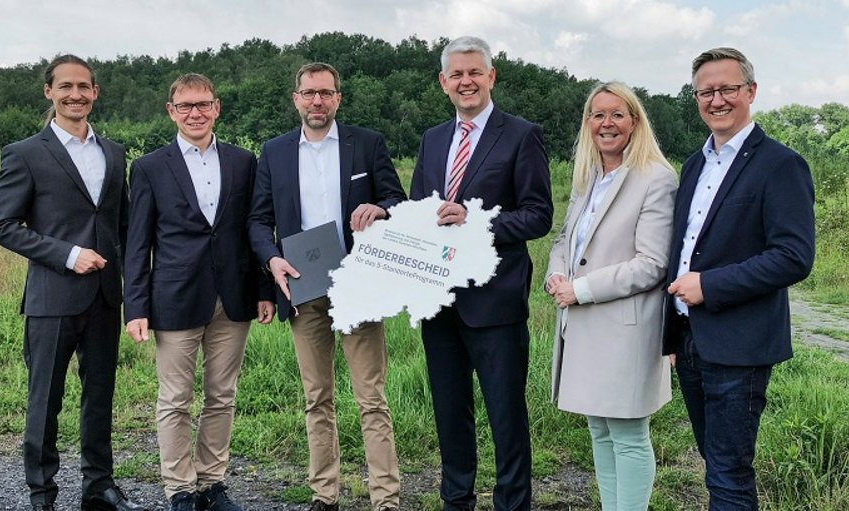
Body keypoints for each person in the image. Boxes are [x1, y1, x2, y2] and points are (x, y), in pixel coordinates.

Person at [0, 54, 147, 511]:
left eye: (84, 86)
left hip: (104, 298)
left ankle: (99, 486)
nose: (75, 94)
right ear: (49, 92)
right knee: (46, 400)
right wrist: (68, 255)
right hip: (52, 297)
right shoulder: (25, 153)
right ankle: (43, 493)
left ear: (95, 92)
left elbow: (124, 225)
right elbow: (2, 225)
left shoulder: (114, 152)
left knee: (100, 398)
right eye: (65, 86)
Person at [247, 62, 406, 511]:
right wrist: (271, 258)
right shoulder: (274, 151)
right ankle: (324, 494)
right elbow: (258, 219)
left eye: (326, 93)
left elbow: (397, 200)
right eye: (309, 93)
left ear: (338, 98)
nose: (318, 101)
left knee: (371, 398)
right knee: (316, 398)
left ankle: (386, 500)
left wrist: (381, 209)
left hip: (359, 284)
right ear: (296, 98)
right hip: (303, 286)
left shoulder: (367, 144)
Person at [664, 48, 816, 510]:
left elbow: (793, 256)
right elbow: (682, 249)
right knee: (715, 464)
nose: (717, 100)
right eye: (705, 91)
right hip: (690, 339)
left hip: (740, 343)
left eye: (727, 88)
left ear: (750, 91)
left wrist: (709, 286)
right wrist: (671, 335)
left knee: (729, 474)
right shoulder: (693, 165)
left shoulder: (779, 164)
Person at [408, 36, 553, 511]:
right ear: (443, 83)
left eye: (475, 72)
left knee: (506, 415)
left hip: (495, 298)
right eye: (457, 74)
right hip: (439, 299)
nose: (466, 81)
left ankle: (512, 504)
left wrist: (479, 221)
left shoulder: (520, 134)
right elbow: (419, 211)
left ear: (491, 77)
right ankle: (457, 500)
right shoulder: (431, 139)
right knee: (450, 413)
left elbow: (538, 215)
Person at [123, 73, 275, 511]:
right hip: (174, 296)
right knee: (174, 399)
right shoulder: (150, 167)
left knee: (222, 395)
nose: (195, 113)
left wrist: (264, 288)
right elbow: (138, 243)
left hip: (233, 296)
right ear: (171, 110)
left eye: (203, 104)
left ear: (217, 108)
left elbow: (256, 228)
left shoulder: (245, 161)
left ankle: (211, 482)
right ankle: (180, 489)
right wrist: (136, 305)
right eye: (186, 105)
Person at [545, 82, 676, 511]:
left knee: (629, 436)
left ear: (635, 121)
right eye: (598, 115)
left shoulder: (655, 178)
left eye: (617, 114)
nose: (607, 124)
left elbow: (652, 264)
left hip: (625, 328)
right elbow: (566, 239)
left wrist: (579, 290)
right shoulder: (588, 176)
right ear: (588, 123)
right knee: (599, 430)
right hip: (583, 327)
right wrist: (556, 272)